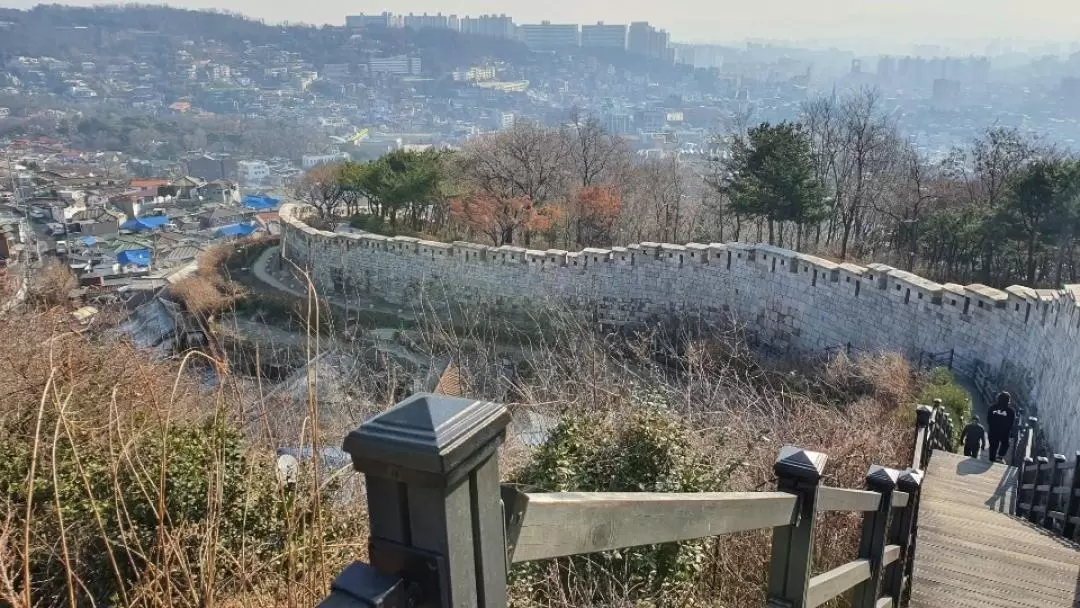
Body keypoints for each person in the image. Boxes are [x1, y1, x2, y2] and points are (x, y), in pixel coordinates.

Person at [986, 391, 1017, 463]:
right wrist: (1009, 431)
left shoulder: (992, 407)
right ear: (1008, 400)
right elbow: (1011, 423)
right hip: (1004, 432)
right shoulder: (1011, 411)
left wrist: (992, 427)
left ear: (998, 398)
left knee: (993, 445)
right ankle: (1000, 457)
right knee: (1005, 444)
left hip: (993, 431)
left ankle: (991, 459)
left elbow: (988, 419)